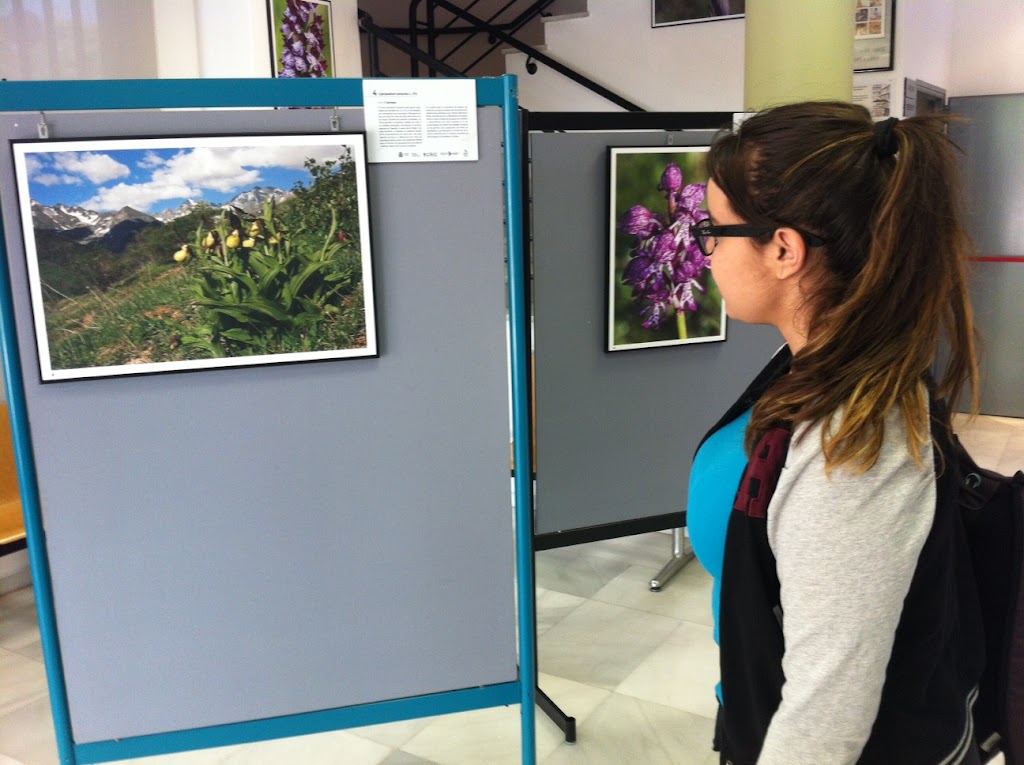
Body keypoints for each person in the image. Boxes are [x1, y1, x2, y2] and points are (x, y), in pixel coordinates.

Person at [685, 101, 986, 764]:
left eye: (716, 229)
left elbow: (825, 723)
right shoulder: (819, 359)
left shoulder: (854, 447)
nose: (705, 251)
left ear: (784, 250)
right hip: (755, 697)